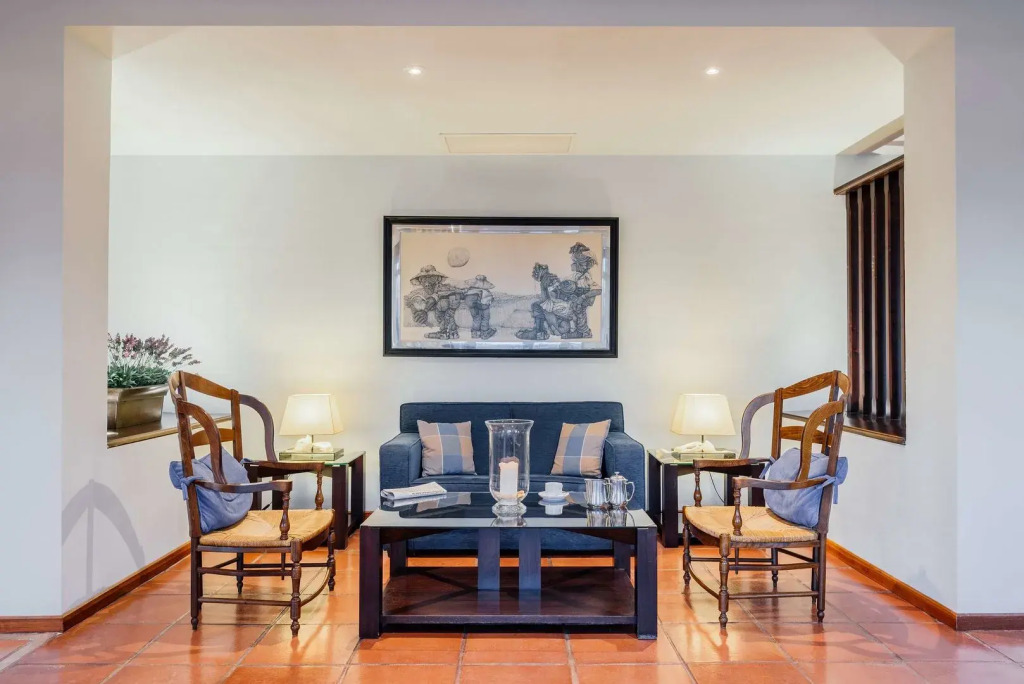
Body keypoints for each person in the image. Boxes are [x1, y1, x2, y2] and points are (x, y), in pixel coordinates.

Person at [463, 274, 497, 339]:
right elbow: (488, 299)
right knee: (485, 317)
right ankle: (484, 333)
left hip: (470, 303)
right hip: (481, 302)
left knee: (476, 317)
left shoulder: (470, 290)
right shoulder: (484, 290)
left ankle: (475, 333)